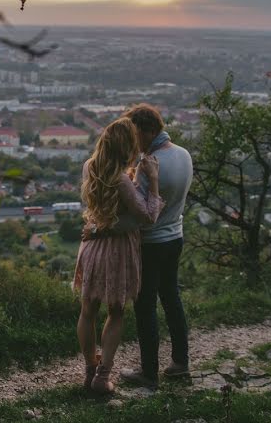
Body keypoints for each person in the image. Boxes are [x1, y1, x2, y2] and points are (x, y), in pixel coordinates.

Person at [84, 104, 193, 389]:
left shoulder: (148, 165)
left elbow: (138, 217)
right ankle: (181, 362)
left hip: (150, 242)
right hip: (175, 237)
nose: (134, 142)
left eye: (136, 135)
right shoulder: (184, 155)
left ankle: (149, 371)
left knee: (145, 307)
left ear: (146, 131)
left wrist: (97, 230)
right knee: (172, 298)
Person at [73, 117, 164, 394]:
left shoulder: (90, 167)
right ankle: (103, 377)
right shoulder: (121, 180)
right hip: (117, 250)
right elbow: (147, 216)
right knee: (115, 311)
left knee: (87, 309)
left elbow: (107, 208)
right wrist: (154, 182)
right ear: (126, 146)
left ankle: (89, 370)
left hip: (91, 246)